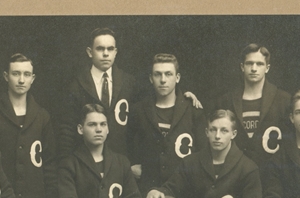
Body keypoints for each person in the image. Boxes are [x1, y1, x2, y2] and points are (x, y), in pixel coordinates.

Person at [58, 28, 202, 161]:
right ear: (90, 52)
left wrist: (183, 95)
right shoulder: (76, 85)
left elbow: (160, 91)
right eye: (100, 49)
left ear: (116, 52)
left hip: (120, 162)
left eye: (110, 49)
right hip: (87, 160)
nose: (106, 53)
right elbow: (67, 132)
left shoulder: (128, 82)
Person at [216, 43, 300, 165]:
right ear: (242, 67)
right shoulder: (227, 101)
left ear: (267, 68)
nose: (254, 68)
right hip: (236, 173)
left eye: (259, 64)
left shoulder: (283, 99)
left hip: (271, 173)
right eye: (249, 63)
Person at [127, 53, 207, 196]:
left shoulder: (193, 110)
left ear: (177, 78)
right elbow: (126, 145)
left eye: (168, 74)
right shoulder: (138, 110)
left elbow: (203, 152)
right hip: (147, 189)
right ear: (151, 79)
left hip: (185, 191)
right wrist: (130, 167)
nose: (163, 80)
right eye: (158, 74)